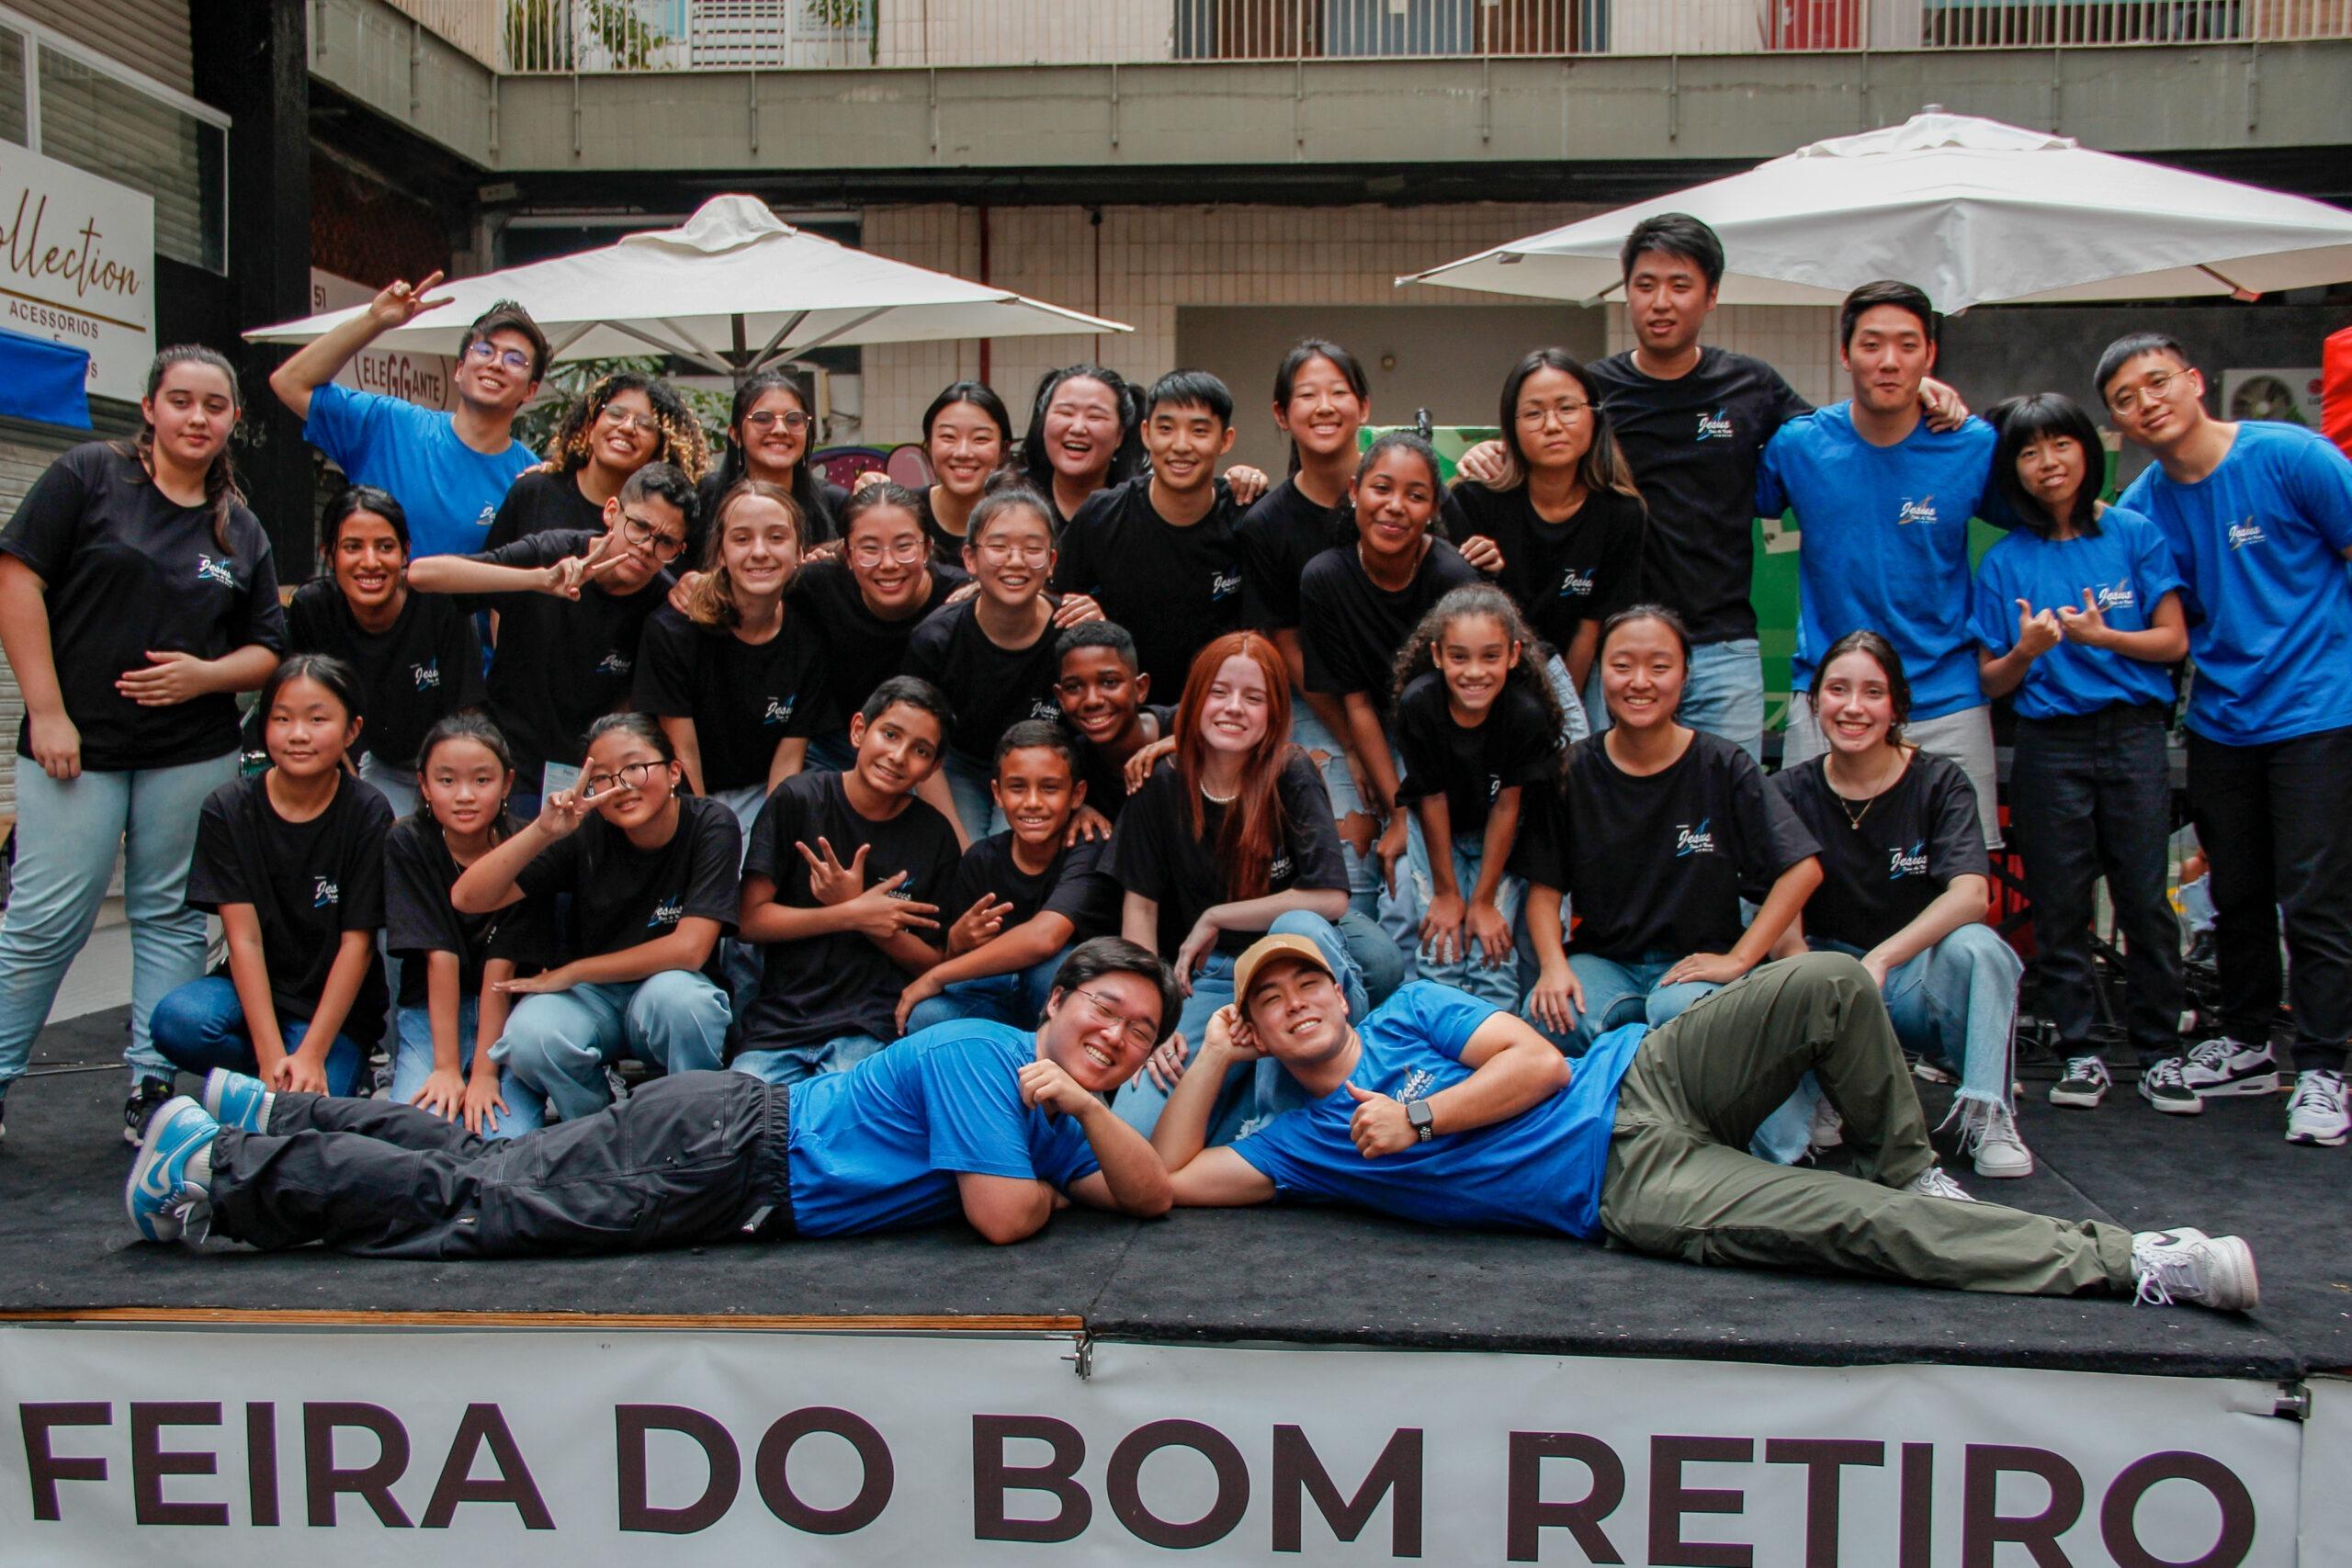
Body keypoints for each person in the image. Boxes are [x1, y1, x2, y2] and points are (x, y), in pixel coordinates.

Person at [1148, 931, 2258, 1314]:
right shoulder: (1297, 1142)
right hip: (1624, 1192)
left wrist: (1422, 1117)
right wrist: (1206, 1052)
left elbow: (1535, 1062)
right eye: (1268, 1005)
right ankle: (2133, 1264)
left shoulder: (1409, 1017)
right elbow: (1168, 1182)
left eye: (1305, 990)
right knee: (1853, 1231)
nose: (1294, 1008)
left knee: (1825, 980)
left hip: (1644, 1077)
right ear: (1257, 1026)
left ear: (1339, 992)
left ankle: (1909, 1163)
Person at [126, 938, 1181, 1255]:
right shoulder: (982, 1055)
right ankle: (215, 1175)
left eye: (1142, 1034)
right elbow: (1005, 1217)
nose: (1117, 1037)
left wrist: (1089, 1116)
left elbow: (1146, 1196)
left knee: (486, 1167)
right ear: (1057, 1002)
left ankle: (267, 1114)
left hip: (724, 1144)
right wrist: (1055, 1171)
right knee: (479, 1207)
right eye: (1104, 1011)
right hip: (730, 1153)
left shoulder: (1051, 1099)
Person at [1455, 215, 1966, 760]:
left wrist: (1914, 391)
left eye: (1681, 286)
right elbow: (1536, 444)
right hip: (1624, 647)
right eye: (1645, 285)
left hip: (1725, 647)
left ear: (1712, 294)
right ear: (1625, 291)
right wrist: (1486, 452)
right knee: (1620, 807)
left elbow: (1840, 444)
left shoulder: (1752, 384)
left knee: (1724, 812)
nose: (1661, 302)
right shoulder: (1593, 391)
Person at [0, 346, 287, 1145]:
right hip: (74, 747)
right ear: (150, 408)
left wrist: (205, 676)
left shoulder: (239, 527)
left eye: (215, 406)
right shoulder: (89, 476)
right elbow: (16, 579)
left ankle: (150, 1086)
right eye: (182, 401)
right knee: (46, 918)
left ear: (234, 421)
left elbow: (268, 647)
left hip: (191, 751)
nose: (198, 418)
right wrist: (47, 710)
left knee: (167, 916)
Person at [2101, 331, 2352, 1147]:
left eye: (2158, 382)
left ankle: (2322, 1065)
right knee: (2235, 892)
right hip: (2221, 720)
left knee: (2314, 895)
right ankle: (2246, 1043)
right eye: (2127, 399)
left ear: (2194, 381)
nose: (2148, 402)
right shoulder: (2141, 508)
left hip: (2320, 708)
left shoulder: (2293, 456)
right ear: (2120, 422)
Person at [1974, 394, 2189, 1115]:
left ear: (2086, 451)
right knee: (2060, 903)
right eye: (2029, 453)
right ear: (2014, 471)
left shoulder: (2134, 532)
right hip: (2048, 740)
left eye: (2060, 445)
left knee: (2143, 895)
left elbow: (2173, 641)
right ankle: (2080, 1050)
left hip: (2132, 733)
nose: (2047, 464)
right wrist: (2026, 653)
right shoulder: (2005, 560)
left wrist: (2107, 640)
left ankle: (2160, 1051)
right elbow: (1989, 677)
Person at [1107, 632, 1398, 1142]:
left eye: (1254, 697)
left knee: (1299, 925)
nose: (1234, 708)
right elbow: (1141, 912)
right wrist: (1153, 1017)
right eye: (1219, 693)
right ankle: (1246, 1091)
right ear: (1195, 700)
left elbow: (1329, 898)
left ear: (1275, 712)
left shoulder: (1291, 769)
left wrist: (1216, 916)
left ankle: (1302, 1098)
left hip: (1294, 963)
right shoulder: (1160, 783)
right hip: (1215, 974)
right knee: (1139, 1134)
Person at [1768, 632, 2029, 1179]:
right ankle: (1827, 1090)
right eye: (1837, 690)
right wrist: (1833, 982)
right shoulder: (1788, 790)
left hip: (1912, 976)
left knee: (1981, 950)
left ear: (1897, 708)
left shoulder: (1939, 781)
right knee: (1790, 970)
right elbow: (1781, 925)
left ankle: (1988, 1109)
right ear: (1815, 703)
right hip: (1830, 982)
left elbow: (1972, 895)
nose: (1853, 707)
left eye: (1872, 692)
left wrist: (1882, 961)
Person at [1758, 280, 2003, 848]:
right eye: (1871, 345)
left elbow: (2052, 513)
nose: (1889, 362)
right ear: (1844, 354)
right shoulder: (1800, 445)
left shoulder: (1971, 443)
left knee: (1959, 885)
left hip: (1945, 701)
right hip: (1830, 698)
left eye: (1907, 346)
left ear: (1930, 356)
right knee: (1809, 868)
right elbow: (1711, 488)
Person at [1517, 606, 1821, 1055]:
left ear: (1684, 677)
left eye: (1659, 667)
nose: (1640, 681)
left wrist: (1740, 959)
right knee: (1547, 1019)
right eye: (1622, 666)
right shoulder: (1572, 770)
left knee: (1691, 1025)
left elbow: (1803, 869)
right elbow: (1543, 893)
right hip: (1603, 963)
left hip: (1693, 966)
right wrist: (1552, 966)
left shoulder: (1722, 765)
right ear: (1602, 673)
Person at [452, 714, 739, 1123]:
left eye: (633, 768)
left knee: (686, 1004)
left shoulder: (711, 824)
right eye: (601, 778)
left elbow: (690, 950)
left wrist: (574, 971)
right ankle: (598, 1127)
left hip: (665, 984)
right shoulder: (583, 831)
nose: (619, 787)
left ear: (674, 771)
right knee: (529, 1036)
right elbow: (468, 897)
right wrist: (544, 831)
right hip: (595, 998)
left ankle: (692, 1125)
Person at [150, 655, 391, 1100]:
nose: (298, 734)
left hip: (331, 1011)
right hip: (252, 994)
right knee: (175, 1022)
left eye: (318, 719)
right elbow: (244, 940)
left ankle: (303, 1074)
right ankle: (269, 1079)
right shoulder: (227, 809)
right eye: (282, 718)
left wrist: (313, 1053)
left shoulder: (368, 812)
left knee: (308, 1107)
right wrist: (267, 1057)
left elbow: (357, 944)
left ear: (352, 731)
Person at [410, 461, 693, 818]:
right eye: (639, 527)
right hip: (513, 758)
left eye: (665, 542)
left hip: (593, 776)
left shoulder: (661, 600)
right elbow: (422, 575)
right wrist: (538, 581)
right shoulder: (552, 552)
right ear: (612, 512)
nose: (645, 548)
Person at [731, 678, 964, 1086]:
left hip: (867, 1027)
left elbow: (935, 961)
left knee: (838, 1129)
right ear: (859, 730)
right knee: (740, 1123)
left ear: (933, 767)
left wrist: (872, 923)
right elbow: (751, 921)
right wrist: (850, 913)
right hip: (779, 1022)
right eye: (890, 735)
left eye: (920, 750)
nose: (898, 756)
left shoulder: (934, 834)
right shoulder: (799, 799)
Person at [1298, 433, 1484, 942]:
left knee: (1419, 866)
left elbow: (1461, 711)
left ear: (1434, 509)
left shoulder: (1452, 577)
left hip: (1445, 729)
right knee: (1366, 857)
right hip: (1372, 717)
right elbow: (1354, 701)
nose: (1395, 507)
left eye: (1416, 495)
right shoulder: (1326, 577)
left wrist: (1412, 814)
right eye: (1382, 488)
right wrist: (1396, 813)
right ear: (1355, 491)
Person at [1236, 341, 1386, 918]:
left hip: (1408, 700)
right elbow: (1285, 643)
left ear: (1364, 407)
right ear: (1281, 414)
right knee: (1349, 846)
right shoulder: (1266, 524)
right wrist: (1349, 738)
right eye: (1306, 396)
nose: (1324, 407)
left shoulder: (1397, 497)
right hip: (1318, 702)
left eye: (1338, 393)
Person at [1443, 347, 1646, 736]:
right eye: (1534, 413)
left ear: (1594, 415)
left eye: (1567, 408)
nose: (1552, 425)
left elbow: (1590, 628)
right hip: (1482, 675)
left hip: (1573, 675)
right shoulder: (1476, 499)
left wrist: (1554, 706)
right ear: (1512, 425)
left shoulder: (1621, 512)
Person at [268, 279, 545, 558]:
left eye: (514, 360)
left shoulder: (533, 479)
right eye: (484, 351)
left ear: (531, 390)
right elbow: (289, 382)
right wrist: (374, 320)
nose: (496, 363)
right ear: (459, 369)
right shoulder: (389, 426)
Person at [1387, 585, 1564, 1007]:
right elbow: (1430, 798)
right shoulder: (1420, 706)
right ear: (1437, 655)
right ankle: (1441, 1058)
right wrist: (1448, 894)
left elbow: (1508, 805)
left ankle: (1499, 1057)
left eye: (1491, 656)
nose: (1474, 672)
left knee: (1493, 951)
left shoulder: (1524, 715)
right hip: (1438, 832)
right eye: (1459, 657)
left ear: (1514, 654)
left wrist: (1483, 901)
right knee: (1441, 947)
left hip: (1496, 835)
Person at [897, 721, 1125, 1034]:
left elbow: (1045, 938)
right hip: (998, 994)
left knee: (1054, 968)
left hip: (1075, 999)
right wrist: (957, 943)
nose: (1032, 801)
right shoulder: (981, 859)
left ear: (1077, 794)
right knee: (926, 1016)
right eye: (1017, 787)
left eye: (1049, 788)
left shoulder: (1088, 845)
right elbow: (957, 958)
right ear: (998, 793)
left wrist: (937, 975)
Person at [904, 481, 1101, 843]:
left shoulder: (1074, 635)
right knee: (963, 856)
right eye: (998, 546)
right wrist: (959, 846)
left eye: (1032, 548)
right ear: (969, 559)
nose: (1015, 561)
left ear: (1052, 561)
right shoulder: (935, 639)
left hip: (1041, 769)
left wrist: (1083, 798)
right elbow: (921, 744)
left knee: (1014, 853)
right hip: (958, 765)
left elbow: (1097, 728)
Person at [383, 714, 548, 1139]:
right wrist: (446, 1068)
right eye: (446, 781)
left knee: (500, 1138)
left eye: (481, 781)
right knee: (418, 1136)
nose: (464, 796)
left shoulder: (524, 844)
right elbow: (440, 956)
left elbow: (503, 964)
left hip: (508, 1012)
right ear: (423, 785)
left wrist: (484, 1074)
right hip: (432, 1012)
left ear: (507, 783)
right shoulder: (407, 842)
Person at [634, 479, 829, 829]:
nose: (759, 552)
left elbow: (788, 760)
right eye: (741, 539)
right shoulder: (673, 631)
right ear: (720, 553)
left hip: (761, 794)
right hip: (683, 794)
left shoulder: (809, 638)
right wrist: (708, 837)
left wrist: (770, 847)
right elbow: (684, 755)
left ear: (800, 551)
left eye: (776, 537)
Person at [286, 486, 484, 819]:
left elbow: (467, 713)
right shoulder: (313, 609)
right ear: (328, 554)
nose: (370, 562)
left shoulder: (439, 601)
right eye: (352, 547)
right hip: (362, 766)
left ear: (406, 552)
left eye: (385, 547)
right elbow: (307, 712)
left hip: (445, 766)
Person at [1053, 370, 1247, 700]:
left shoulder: (1246, 516)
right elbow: (1057, 604)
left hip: (1218, 711)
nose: (1181, 445)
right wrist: (1094, 627)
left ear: (1225, 440)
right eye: (1166, 428)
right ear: (1145, 433)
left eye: (1199, 431)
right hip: (1121, 715)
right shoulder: (1101, 516)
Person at [786, 482, 967, 773]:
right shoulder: (818, 584)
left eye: (904, 547)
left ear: (927, 548)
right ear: (847, 553)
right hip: (834, 749)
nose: (888, 563)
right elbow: (749, 592)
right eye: (869, 549)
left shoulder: (958, 597)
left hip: (926, 756)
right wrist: (694, 586)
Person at [482, 370, 708, 550]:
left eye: (645, 425)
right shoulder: (534, 492)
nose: (627, 427)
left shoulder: (665, 525)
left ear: (660, 451)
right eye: (616, 414)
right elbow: (495, 581)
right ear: (590, 427)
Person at [695, 368, 847, 558]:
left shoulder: (835, 503)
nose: (781, 429)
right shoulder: (709, 496)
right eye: (763, 419)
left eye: (793, 419)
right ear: (735, 435)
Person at [1053, 620, 1171, 826]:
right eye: (1074, 687)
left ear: (1141, 688)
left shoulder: (1189, 725)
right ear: (1060, 697)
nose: (1092, 700)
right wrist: (1076, 808)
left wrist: (1188, 742)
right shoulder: (1071, 763)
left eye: (1109, 682)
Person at [1020, 364, 1145, 531]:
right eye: (1065, 413)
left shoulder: (1140, 510)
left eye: (1095, 416)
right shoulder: (1009, 501)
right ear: (1043, 424)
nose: (1077, 428)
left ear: (1120, 435)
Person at [910, 382, 1015, 565]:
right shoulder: (906, 513)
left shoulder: (1021, 517)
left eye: (980, 439)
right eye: (948, 437)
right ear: (928, 445)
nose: (963, 452)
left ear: (1003, 450)